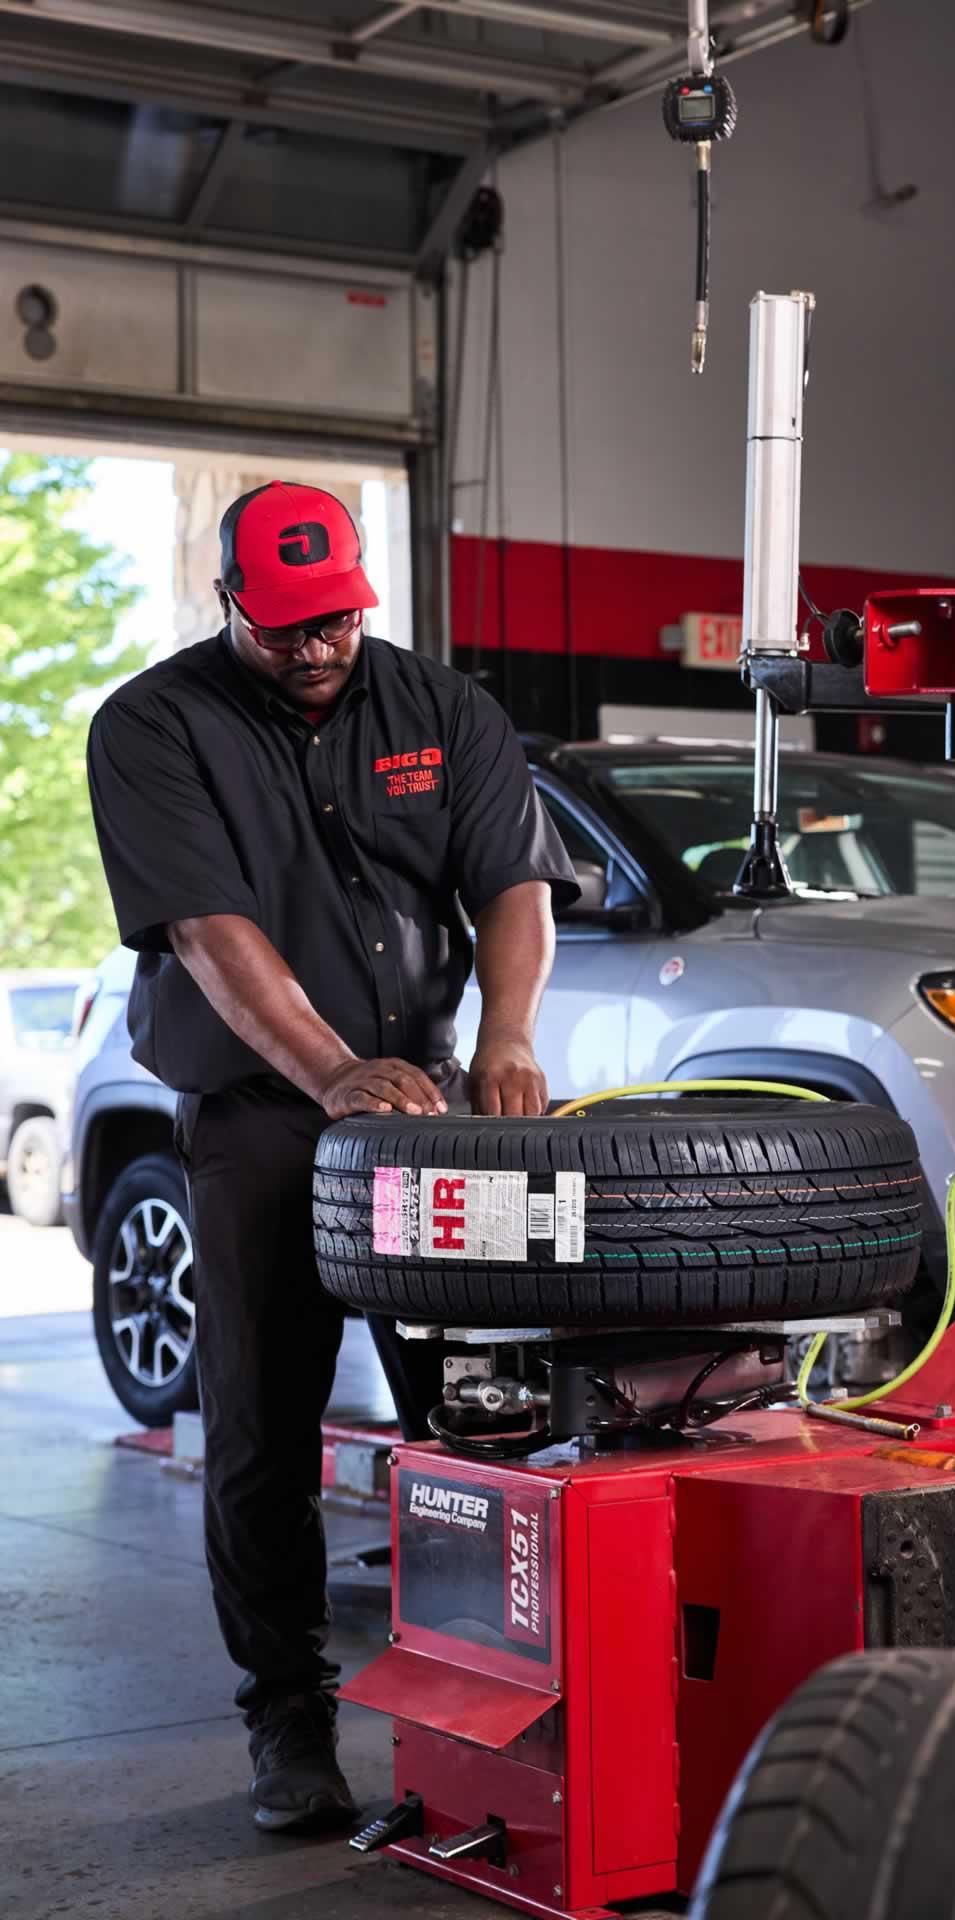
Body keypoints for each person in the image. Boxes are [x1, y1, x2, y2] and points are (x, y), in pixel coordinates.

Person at [87, 480, 578, 1832]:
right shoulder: (152, 725)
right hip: (258, 1109)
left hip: (424, 1105)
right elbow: (207, 930)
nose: (316, 648)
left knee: (481, 1412)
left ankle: (498, 1698)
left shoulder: (442, 709)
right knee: (262, 1425)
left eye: (337, 621)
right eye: (286, 625)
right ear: (232, 599)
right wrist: (329, 1075)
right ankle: (289, 1724)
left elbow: (510, 885)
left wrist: (511, 1032)